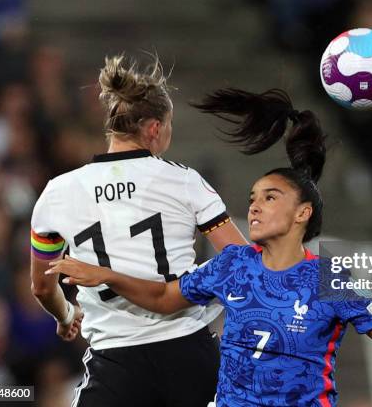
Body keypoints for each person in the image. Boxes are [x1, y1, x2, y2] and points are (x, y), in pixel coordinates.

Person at [46, 88, 372, 407]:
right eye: (251, 198)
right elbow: (165, 298)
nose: (253, 207)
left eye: (269, 198)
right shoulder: (233, 264)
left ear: (302, 213)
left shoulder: (328, 279)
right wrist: (108, 276)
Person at [30, 55, 247, 407]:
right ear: (154, 129)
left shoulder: (57, 193)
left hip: (116, 362)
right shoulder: (186, 181)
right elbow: (241, 260)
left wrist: (66, 316)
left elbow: (42, 286)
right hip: (189, 350)